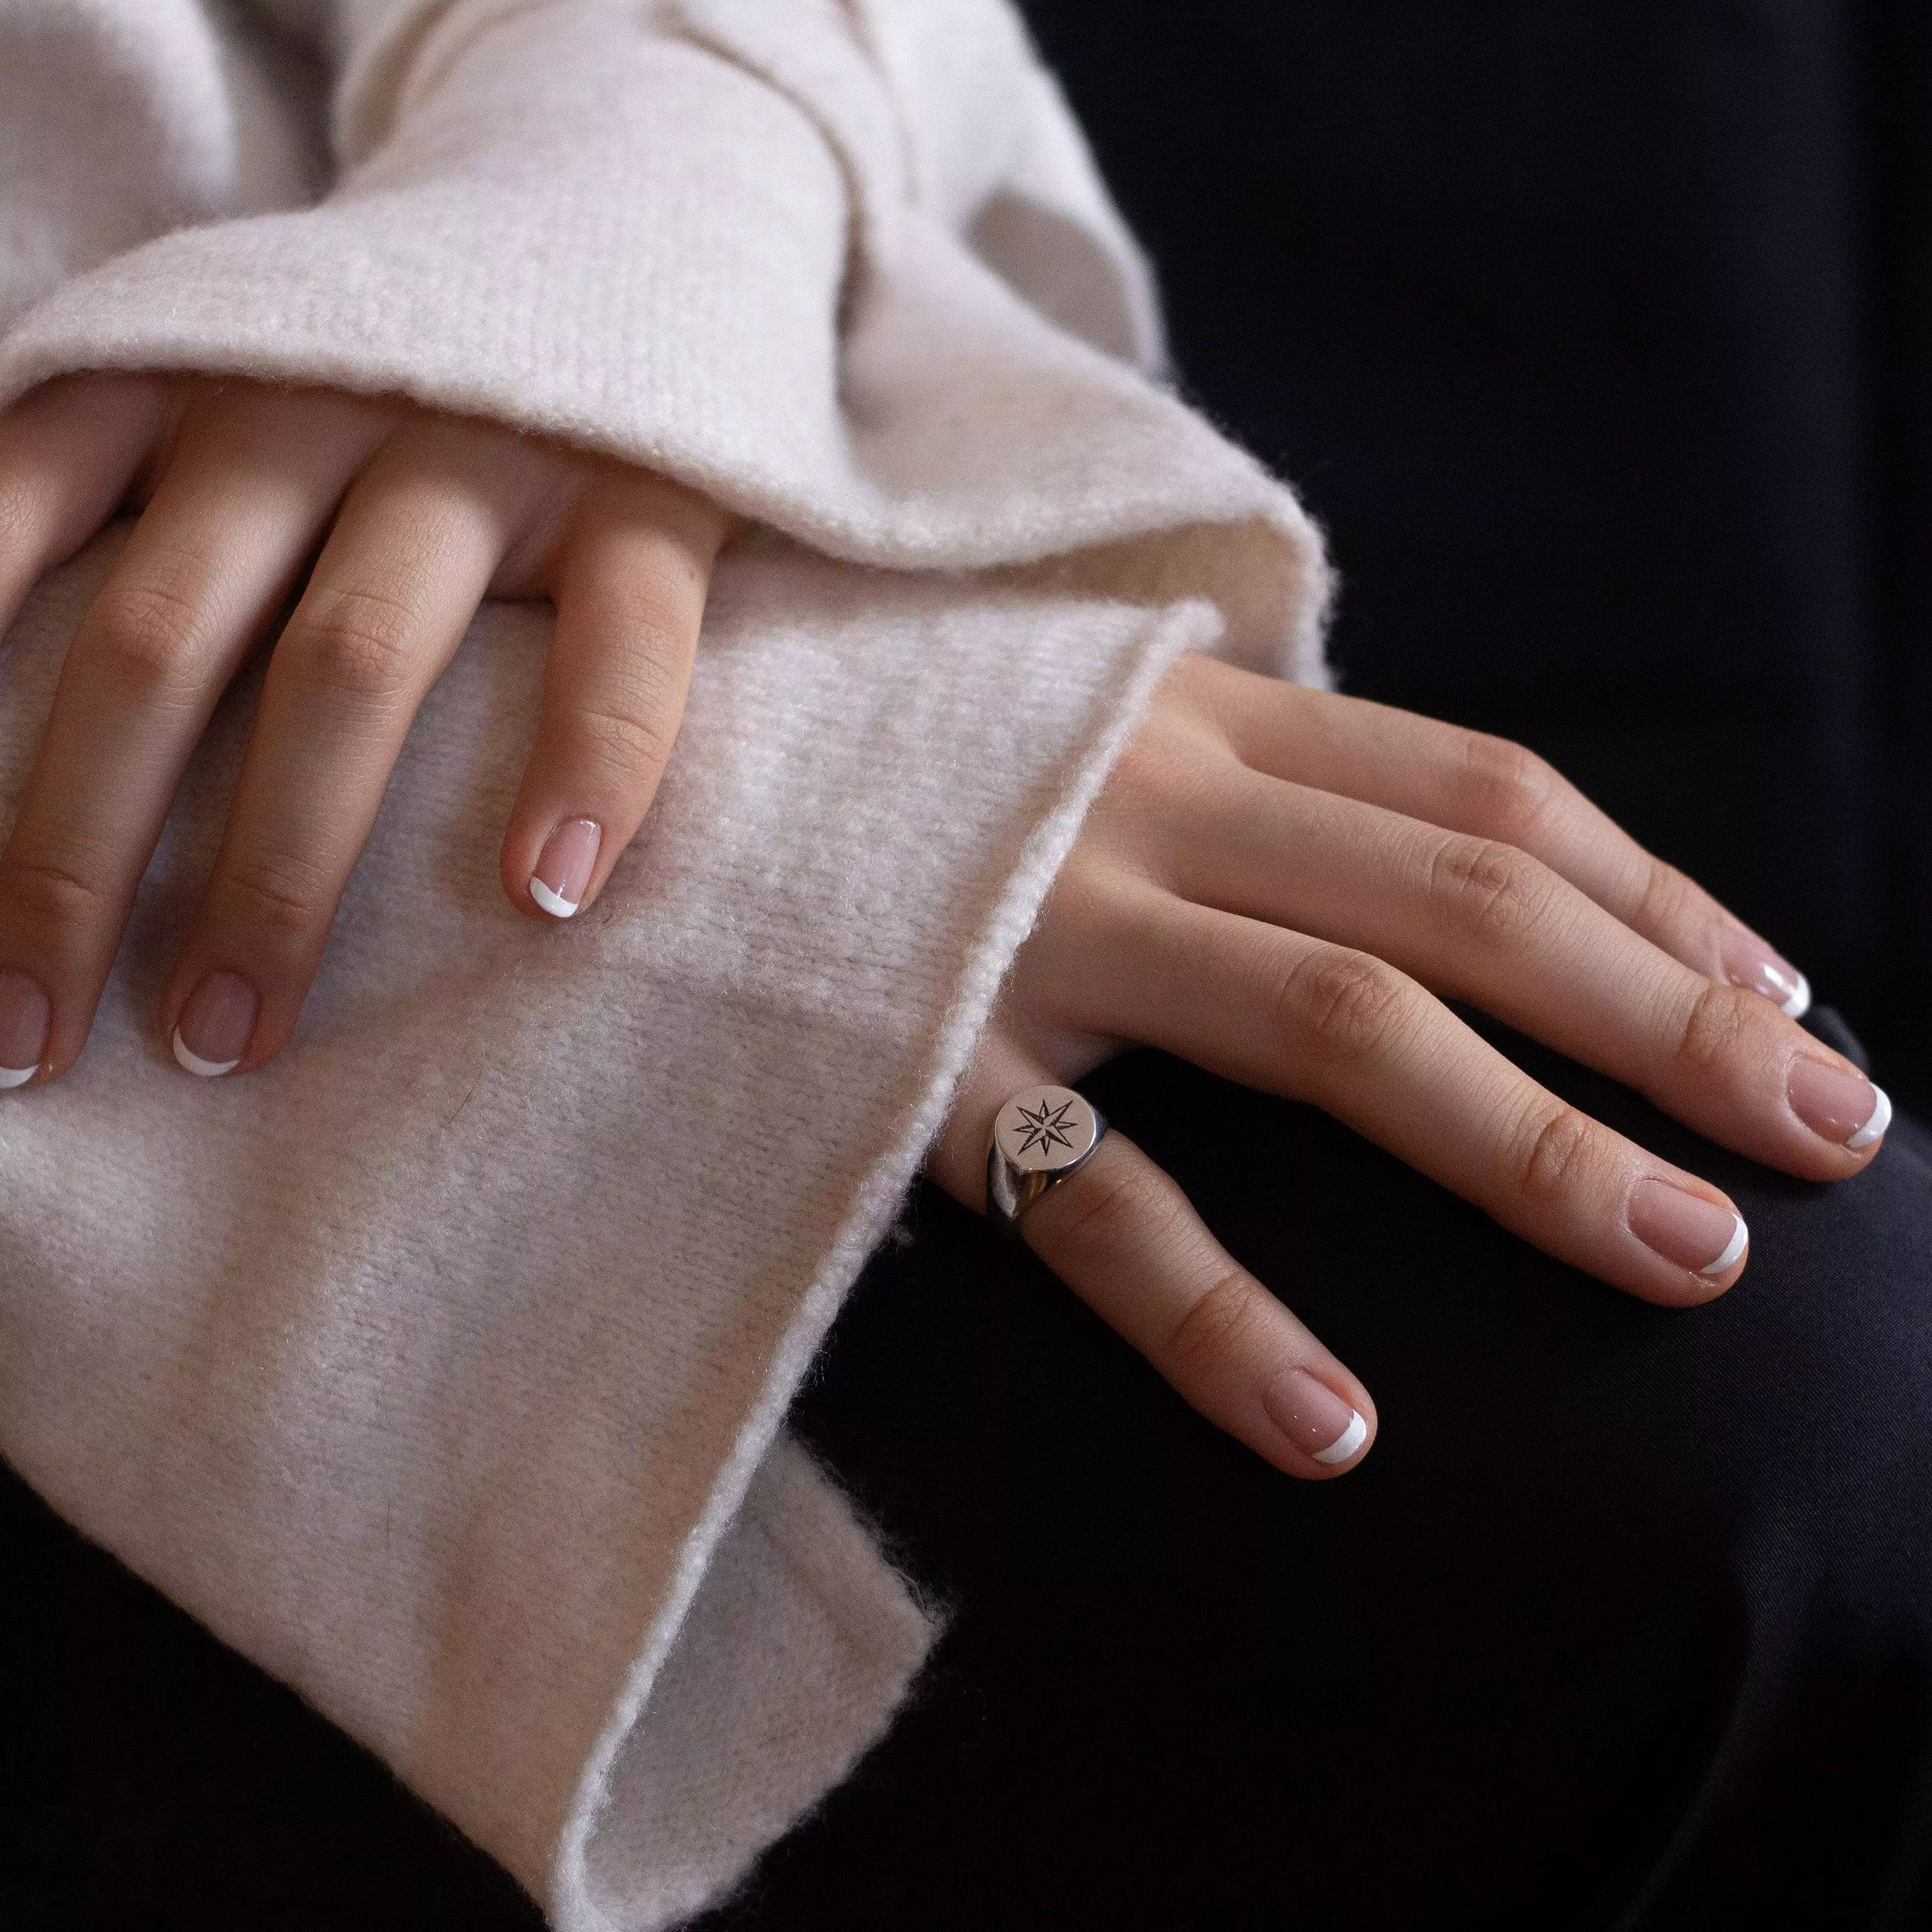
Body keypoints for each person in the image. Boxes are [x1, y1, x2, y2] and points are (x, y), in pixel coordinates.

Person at [0, 1, 1923, 1927]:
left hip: (730, 333)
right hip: (192, 806)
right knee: (1741, 1468)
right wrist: (756, 825)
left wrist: (649, 145)